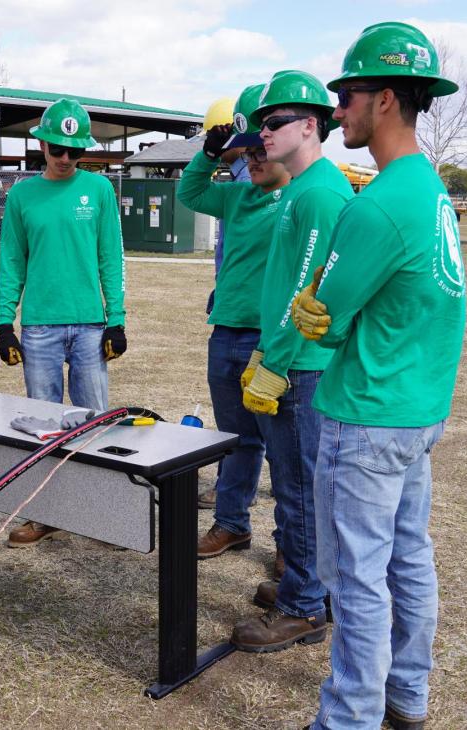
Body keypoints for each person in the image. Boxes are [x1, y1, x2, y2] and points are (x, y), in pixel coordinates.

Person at [290, 22, 465, 730]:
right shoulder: (430, 189)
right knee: (407, 562)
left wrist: (317, 311)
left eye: (348, 94)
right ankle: (406, 699)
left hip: (366, 414)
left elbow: (325, 319)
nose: (338, 110)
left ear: (385, 99)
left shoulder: (381, 203)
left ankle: (350, 717)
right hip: (416, 409)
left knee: (358, 578)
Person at [225, 70, 352, 653]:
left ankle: (305, 605)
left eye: (274, 123)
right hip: (287, 359)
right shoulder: (301, 188)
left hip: (300, 367)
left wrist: (273, 360)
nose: (263, 134)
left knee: (299, 488)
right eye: (261, 123)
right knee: (294, 484)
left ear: (310, 126)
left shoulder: (320, 192)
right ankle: (304, 584)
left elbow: (310, 287)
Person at [0, 98, 126, 548]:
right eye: (58, 149)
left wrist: (116, 320)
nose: (66, 158)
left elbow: (111, 256)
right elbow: (12, 261)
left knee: (95, 422)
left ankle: (103, 512)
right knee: (45, 425)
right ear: (43, 146)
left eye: (75, 151)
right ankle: (46, 512)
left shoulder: (100, 191)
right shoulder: (22, 195)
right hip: (40, 330)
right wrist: (3, 325)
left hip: (91, 327)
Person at [177, 83, 288, 567]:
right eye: (245, 153)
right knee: (235, 439)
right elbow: (190, 191)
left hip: (273, 340)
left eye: (261, 150)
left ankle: (292, 544)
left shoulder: (300, 200)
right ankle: (231, 524)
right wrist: (209, 151)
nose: (253, 160)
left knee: (285, 450)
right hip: (226, 334)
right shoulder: (238, 197)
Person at [197, 94, 254, 510]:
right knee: (239, 423)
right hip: (231, 306)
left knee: (247, 427)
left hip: (252, 321)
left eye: (219, 136)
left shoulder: (248, 182)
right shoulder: (234, 182)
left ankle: (234, 492)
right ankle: (233, 498)